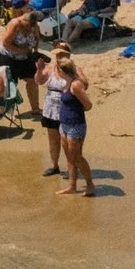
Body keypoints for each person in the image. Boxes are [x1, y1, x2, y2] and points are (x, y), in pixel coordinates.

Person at [51, 50, 95, 196]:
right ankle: (72, 185)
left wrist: (76, 109)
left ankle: (90, 184)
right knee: (70, 157)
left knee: (77, 157)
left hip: (75, 125)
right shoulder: (66, 83)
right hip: (64, 124)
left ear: (62, 71)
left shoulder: (75, 85)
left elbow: (88, 105)